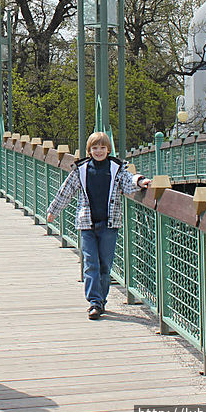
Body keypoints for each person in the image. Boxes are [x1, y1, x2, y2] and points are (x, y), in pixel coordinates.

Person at [46, 131, 150, 320]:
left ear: (109, 149)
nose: (99, 151)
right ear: (89, 150)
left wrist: (141, 181)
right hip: (87, 223)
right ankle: (94, 302)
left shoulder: (115, 168)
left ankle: (101, 300)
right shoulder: (82, 169)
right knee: (90, 263)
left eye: (102, 148)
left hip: (109, 224)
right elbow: (66, 191)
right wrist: (53, 211)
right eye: (95, 148)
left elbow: (128, 182)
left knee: (105, 265)